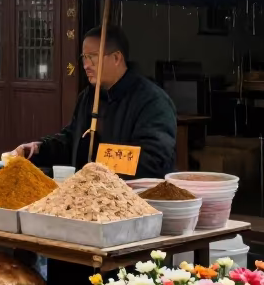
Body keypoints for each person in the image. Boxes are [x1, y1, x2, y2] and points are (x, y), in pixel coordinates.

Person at [13, 24, 177, 178]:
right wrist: (40, 149)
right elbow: (72, 141)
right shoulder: (88, 96)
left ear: (116, 58)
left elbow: (154, 160)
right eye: (84, 57)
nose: (86, 65)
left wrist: (99, 161)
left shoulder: (152, 101)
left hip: (133, 198)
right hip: (87, 197)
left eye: (92, 57)